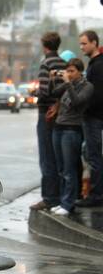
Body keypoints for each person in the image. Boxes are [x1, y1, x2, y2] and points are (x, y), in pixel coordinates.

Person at [49, 58, 94, 216]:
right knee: (61, 168)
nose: (69, 74)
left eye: (72, 71)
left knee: (69, 170)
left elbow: (77, 103)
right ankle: (63, 201)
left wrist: (68, 83)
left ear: (80, 72)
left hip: (72, 130)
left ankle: (68, 204)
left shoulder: (87, 87)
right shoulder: (68, 85)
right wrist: (53, 79)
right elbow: (53, 93)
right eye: (67, 71)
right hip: (58, 128)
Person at [32, 32, 67, 211]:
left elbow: (45, 91)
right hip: (60, 113)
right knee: (58, 156)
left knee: (46, 157)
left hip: (45, 114)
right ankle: (60, 195)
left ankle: (49, 197)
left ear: (44, 45)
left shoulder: (46, 63)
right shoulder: (63, 63)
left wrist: (34, 93)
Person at [78, 30, 103, 207]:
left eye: (85, 43)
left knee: (94, 157)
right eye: (81, 43)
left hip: (94, 117)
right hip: (92, 116)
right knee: (91, 154)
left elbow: (97, 94)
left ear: (94, 43)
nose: (82, 47)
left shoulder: (98, 65)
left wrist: (85, 108)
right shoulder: (94, 63)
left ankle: (96, 195)